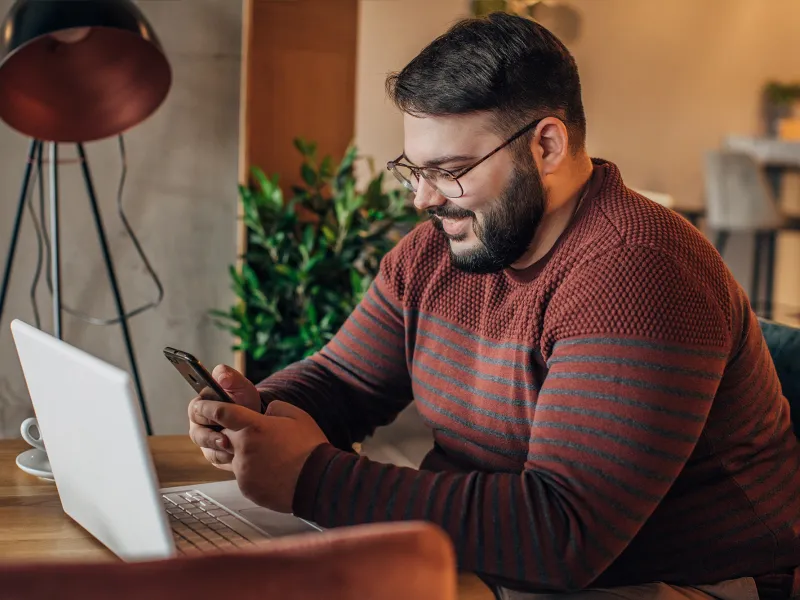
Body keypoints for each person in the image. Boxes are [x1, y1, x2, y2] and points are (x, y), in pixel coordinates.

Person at [188, 12, 800, 600]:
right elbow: (343, 381)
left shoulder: (637, 272)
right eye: (415, 171)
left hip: (680, 583)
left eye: (450, 171)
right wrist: (262, 413)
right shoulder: (443, 249)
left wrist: (311, 480)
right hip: (498, 562)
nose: (423, 199)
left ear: (548, 146)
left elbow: (563, 536)